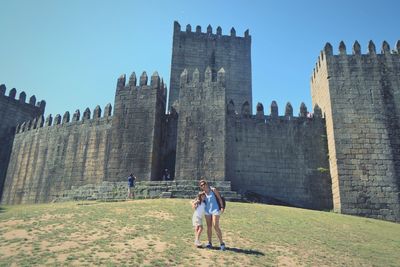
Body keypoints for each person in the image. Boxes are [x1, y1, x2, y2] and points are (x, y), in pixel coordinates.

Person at [199, 179, 225, 251]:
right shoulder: (203, 193)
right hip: (207, 211)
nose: (203, 186)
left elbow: (219, 198)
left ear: (206, 184)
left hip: (215, 210)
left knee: (215, 226)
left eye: (203, 184)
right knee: (209, 227)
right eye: (201, 185)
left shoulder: (213, 190)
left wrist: (222, 207)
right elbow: (199, 200)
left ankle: (222, 243)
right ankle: (209, 243)